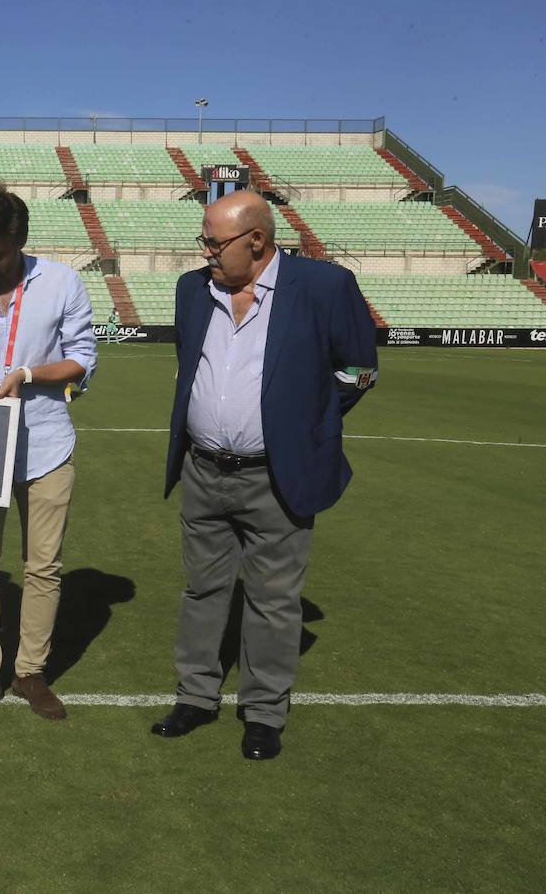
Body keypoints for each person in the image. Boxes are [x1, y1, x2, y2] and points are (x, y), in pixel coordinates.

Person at [150, 190, 377, 760]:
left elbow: (358, 367)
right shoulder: (191, 290)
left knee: (275, 600)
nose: (205, 251)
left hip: (278, 476)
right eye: (203, 239)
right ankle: (195, 698)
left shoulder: (325, 287)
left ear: (257, 240)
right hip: (203, 469)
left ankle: (264, 713)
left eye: (214, 241)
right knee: (203, 588)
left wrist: (308, 421)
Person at [0, 187, 96, 720]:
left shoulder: (62, 283)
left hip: (47, 444)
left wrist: (27, 375)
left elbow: (83, 360)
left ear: (20, 243)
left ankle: (30, 672)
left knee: (43, 565)